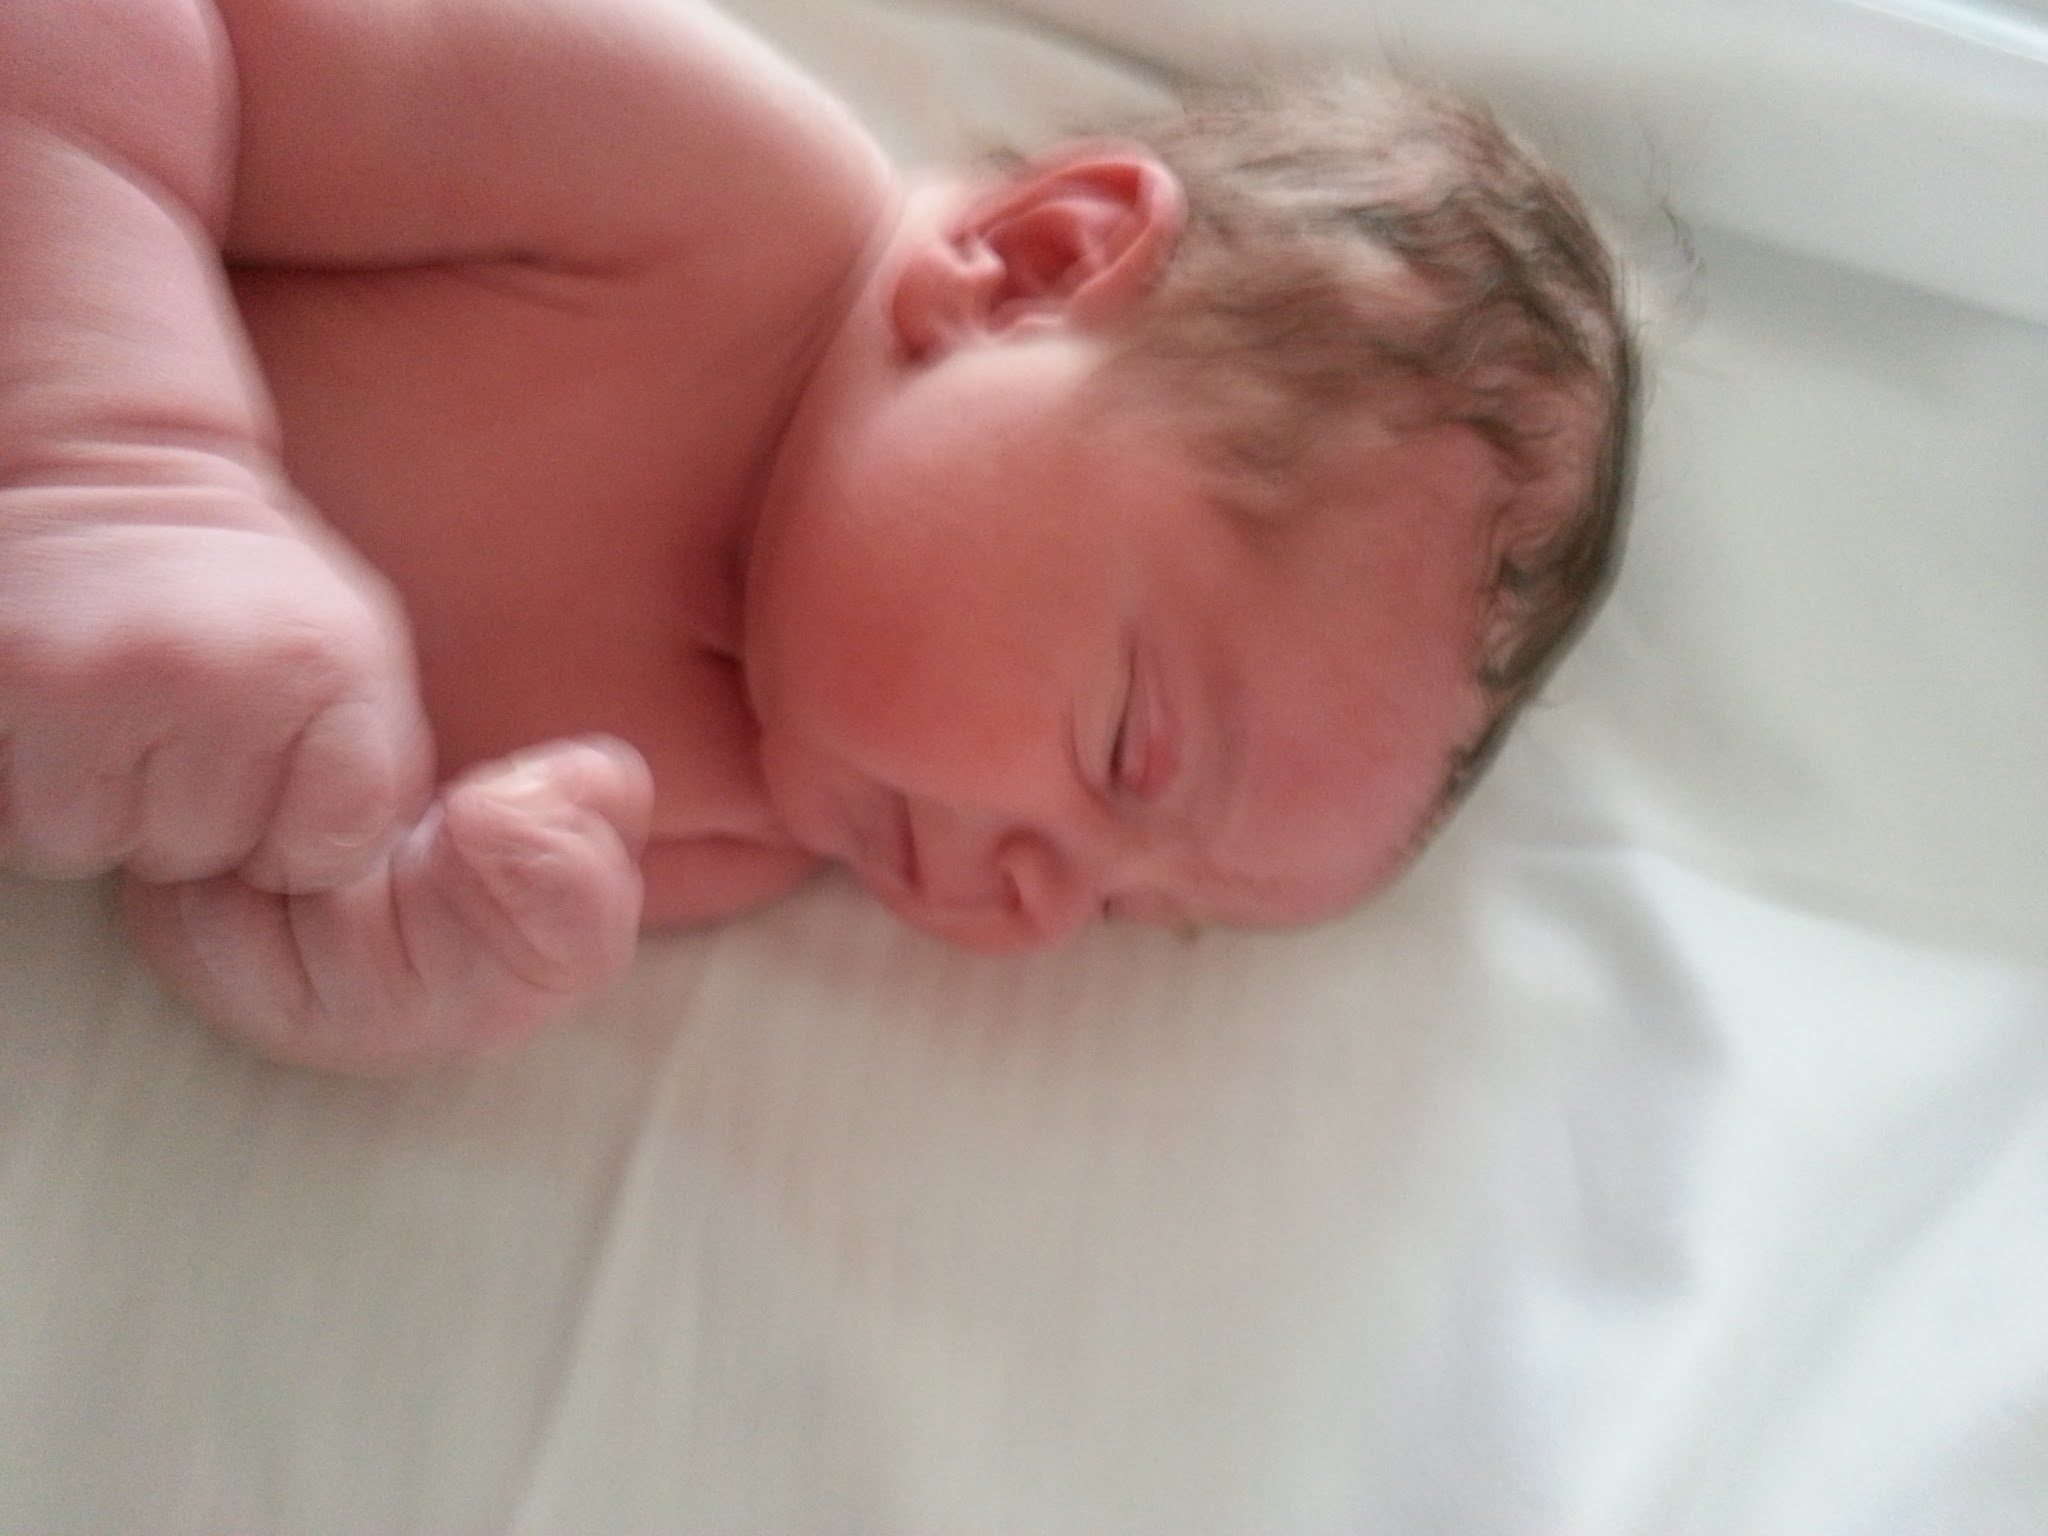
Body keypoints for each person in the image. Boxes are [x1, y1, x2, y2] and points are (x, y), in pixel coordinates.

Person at [0, 0, 1635, 1072]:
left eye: (1126, 908)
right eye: (1129, 755)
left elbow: (192, 843)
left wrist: (383, 956)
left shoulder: (720, 824)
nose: (1033, 912)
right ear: (1040, 267)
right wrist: (112, 462)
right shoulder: (697, 184)